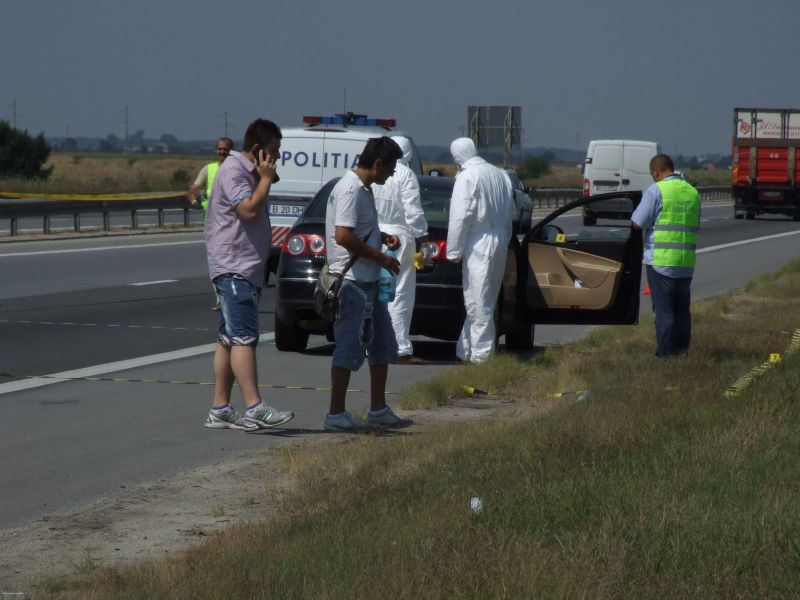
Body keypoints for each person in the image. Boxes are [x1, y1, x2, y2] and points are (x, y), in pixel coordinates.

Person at [203, 119, 294, 431]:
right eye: (273, 152)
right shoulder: (233, 170)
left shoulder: (249, 171)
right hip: (234, 266)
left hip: (244, 267)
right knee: (244, 338)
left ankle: (220, 408)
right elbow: (248, 210)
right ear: (257, 150)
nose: (277, 158)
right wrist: (265, 177)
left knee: (228, 339)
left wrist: (265, 173)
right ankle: (255, 407)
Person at [324, 136, 413, 432]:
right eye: (391, 168)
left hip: (368, 282)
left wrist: (382, 236)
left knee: (383, 343)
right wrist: (380, 257)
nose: (392, 174)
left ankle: (378, 409)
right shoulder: (350, 189)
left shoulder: (364, 189)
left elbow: (359, 229)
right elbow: (343, 236)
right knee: (349, 346)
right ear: (377, 164)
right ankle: (336, 414)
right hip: (352, 283)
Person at [445, 137, 514, 363]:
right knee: (482, 299)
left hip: (479, 242)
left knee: (479, 299)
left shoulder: (467, 176)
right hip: (499, 238)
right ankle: (465, 350)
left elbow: (459, 217)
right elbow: (509, 215)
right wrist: (506, 239)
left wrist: (453, 252)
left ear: (457, 157)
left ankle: (481, 358)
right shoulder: (501, 175)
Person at [631, 154, 700, 357]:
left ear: (656, 171)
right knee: (682, 312)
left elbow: (637, 223)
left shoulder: (656, 190)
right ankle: (682, 352)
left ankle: (666, 355)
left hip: (661, 262)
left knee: (664, 313)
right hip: (686, 262)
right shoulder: (692, 192)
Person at [372, 135, 429, 365]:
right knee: (401, 295)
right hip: (400, 237)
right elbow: (413, 212)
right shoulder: (405, 174)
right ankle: (399, 347)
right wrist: (423, 238)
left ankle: (375, 344)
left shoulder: (377, 172)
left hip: (377, 236)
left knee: (378, 294)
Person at [187, 137, 234, 216]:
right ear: (216, 150)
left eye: (225, 149)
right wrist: (195, 202)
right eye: (220, 149)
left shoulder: (238, 169)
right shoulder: (208, 169)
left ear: (231, 151)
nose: (222, 152)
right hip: (211, 218)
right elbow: (191, 191)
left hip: (230, 216)